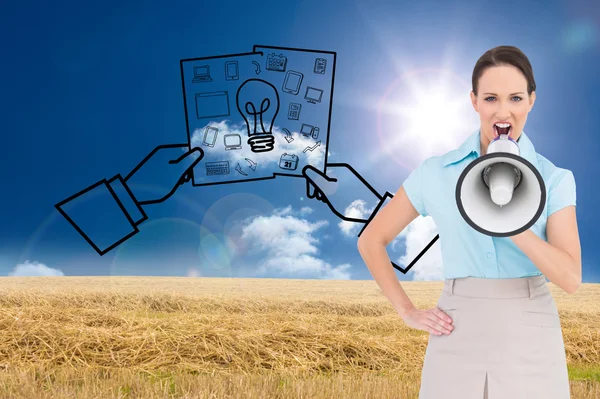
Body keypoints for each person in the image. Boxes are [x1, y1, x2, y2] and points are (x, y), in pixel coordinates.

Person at [356, 45, 581, 398]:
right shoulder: (435, 173)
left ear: (532, 101)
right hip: (455, 329)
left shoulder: (554, 179)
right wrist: (408, 312)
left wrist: (513, 225)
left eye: (516, 98)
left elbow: (570, 278)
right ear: (474, 101)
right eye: (491, 98)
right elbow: (371, 240)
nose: (502, 110)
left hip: (531, 332)